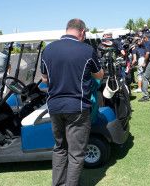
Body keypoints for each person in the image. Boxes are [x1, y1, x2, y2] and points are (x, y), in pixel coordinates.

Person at [41, 19, 104, 186]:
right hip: (77, 107)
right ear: (82, 32)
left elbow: (44, 79)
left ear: (67, 29)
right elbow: (99, 75)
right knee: (76, 153)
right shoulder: (87, 50)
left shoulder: (48, 50)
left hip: (54, 107)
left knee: (60, 148)